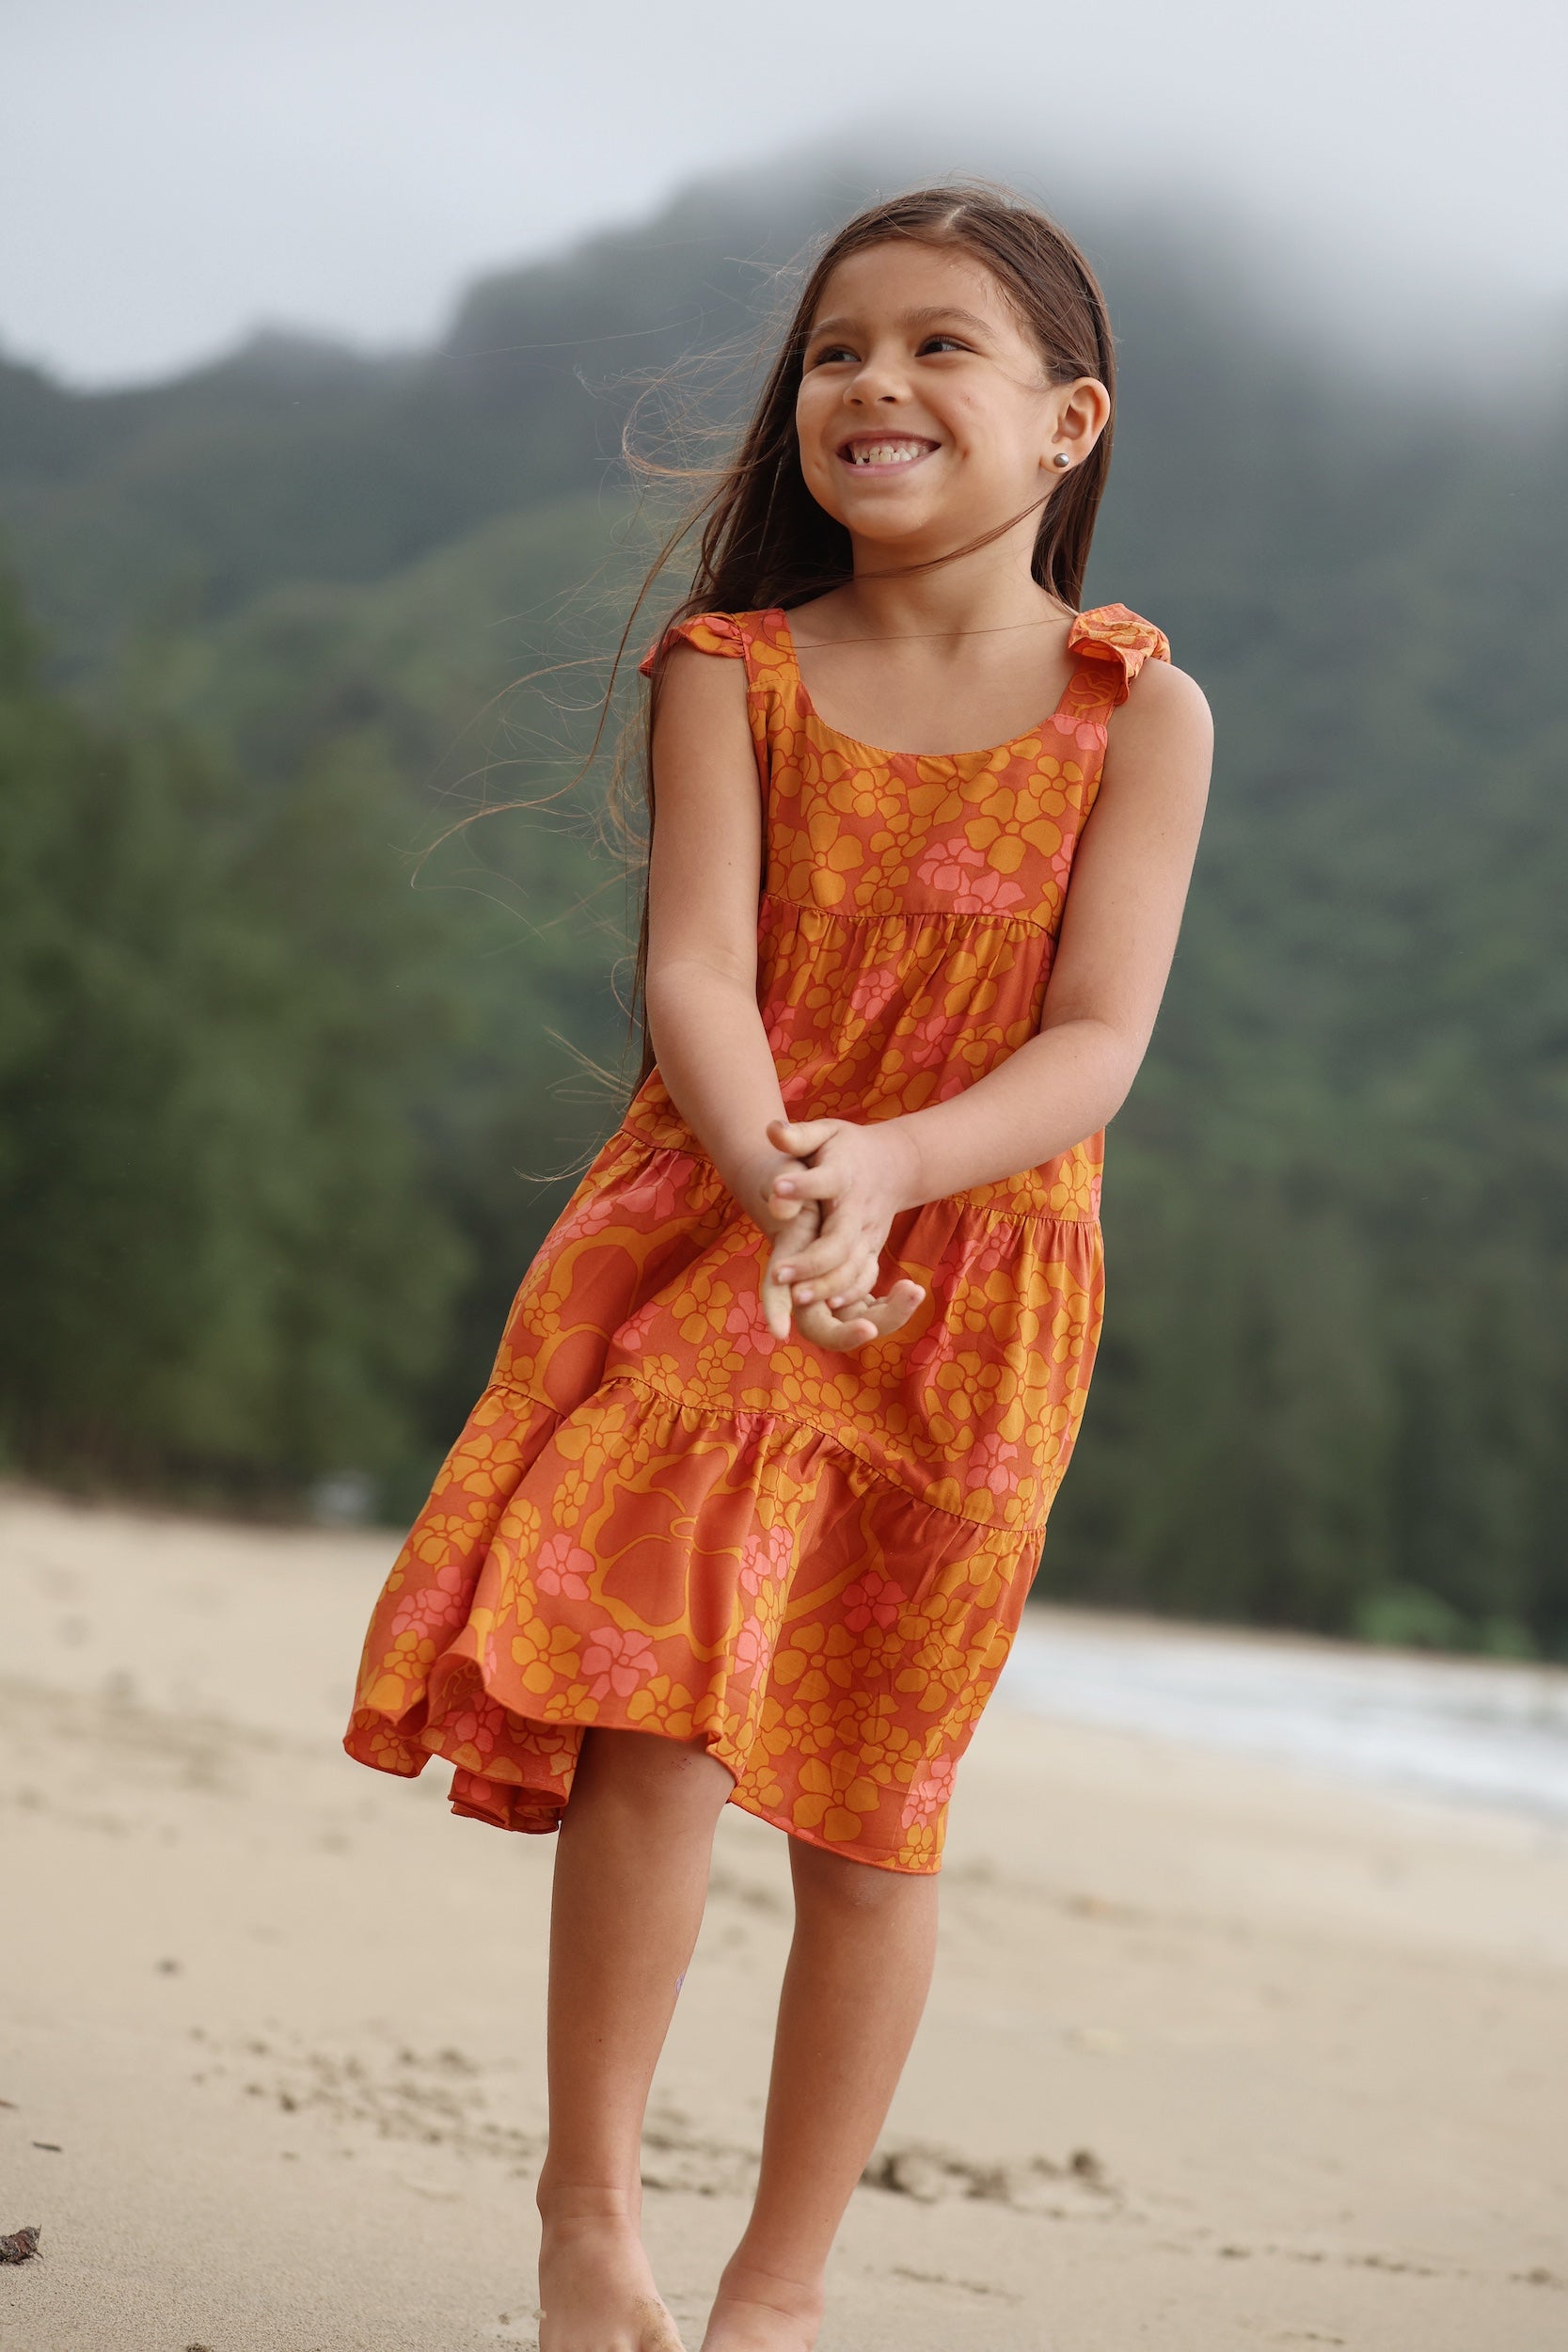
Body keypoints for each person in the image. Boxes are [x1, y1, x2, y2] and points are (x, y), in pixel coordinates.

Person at [343, 182, 1212, 2352]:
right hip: (729, 1233)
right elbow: (699, 976)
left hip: (972, 1284)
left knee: (869, 1791)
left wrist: (894, 1166)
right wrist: (787, 1176)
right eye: (838, 350)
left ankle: (779, 2293)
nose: (874, 384)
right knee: (651, 1715)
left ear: (1067, 420)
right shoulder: (736, 672)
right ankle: (587, 2226)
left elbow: (1096, 1039)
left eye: (940, 348)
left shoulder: (1143, 715)